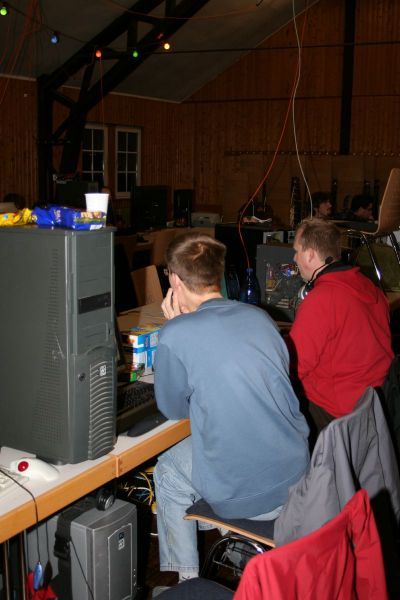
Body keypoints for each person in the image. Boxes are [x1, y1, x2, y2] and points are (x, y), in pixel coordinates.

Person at [152, 232, 310, 584]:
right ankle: (225, 538)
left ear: (175, 281)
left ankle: (188, 582)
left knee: (168, 470)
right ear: (218, 274)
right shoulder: (260, 317)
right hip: (298, 477)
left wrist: (173, 326)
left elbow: (173, 409)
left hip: (252, 498)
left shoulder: (176, 334)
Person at [286, 218, 393, 433]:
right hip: (372, 406)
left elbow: (294, 367)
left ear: (310, 255)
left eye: (297, 251)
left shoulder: (322, 299)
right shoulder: (368, 286)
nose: (294, 258)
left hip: (336, 413)